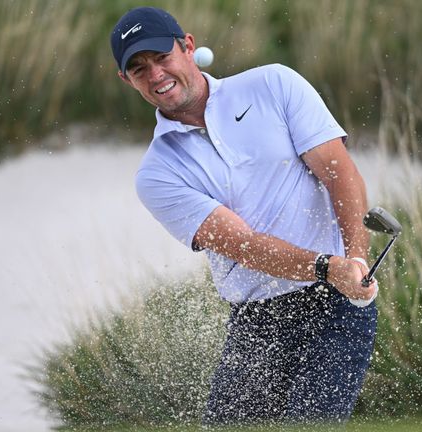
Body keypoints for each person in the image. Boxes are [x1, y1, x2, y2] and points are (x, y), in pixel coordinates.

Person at [110, 6, 379, 426]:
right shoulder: (157, 174)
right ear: (126, 80)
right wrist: (328, 266)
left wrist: (356, 260)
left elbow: (339, 172)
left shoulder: (273, 84)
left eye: (162, 58)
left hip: (337, 303)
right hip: (258, 323)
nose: (156, 74)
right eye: (139, 69)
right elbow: (244, 246)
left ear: (188, 47)